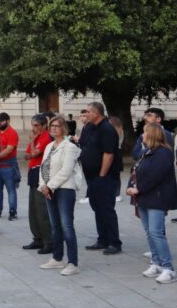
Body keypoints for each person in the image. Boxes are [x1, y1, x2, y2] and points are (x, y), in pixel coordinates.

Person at [126, 124, 177, 284]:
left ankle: (168, 267)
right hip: (144, 197)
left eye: (144, 133)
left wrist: (138, 189)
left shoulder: (163, 153)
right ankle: (156, 263)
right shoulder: (146, 152)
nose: (142, 136)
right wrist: (130, 186)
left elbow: (156, 176)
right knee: (149, 231)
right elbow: (136, 170)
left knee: (156, 232)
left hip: (156, 197)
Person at [38, 116, 82, 276]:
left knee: (66, 226)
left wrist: (50, 186)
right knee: (54, 225)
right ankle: (57, 258)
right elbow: (44, 167)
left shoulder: (69, 147)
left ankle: (72, 262)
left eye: (57, 126)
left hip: (64, 189)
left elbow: (66, 170)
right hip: (49, 189)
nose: (54, 128)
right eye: (51, 126)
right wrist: (43, 185)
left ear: (64, 128)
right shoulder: (49, 146)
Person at [79, 102, 122, 255]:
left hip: (105, 177)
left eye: (88, 111)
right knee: (96, 207)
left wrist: (102, 175)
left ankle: (114, 242)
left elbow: (108, 154)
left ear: (97, 113)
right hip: (91, 176)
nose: (86, 114)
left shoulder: (107, 129)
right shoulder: (89, 127)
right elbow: (83, 145)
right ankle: (102, 239)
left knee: (106, 208)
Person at [23, 114, 53, 254]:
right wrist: (32, 144)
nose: (34, 128)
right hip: (33, 173)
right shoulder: (35, 138)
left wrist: (33, 142)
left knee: (41, 210)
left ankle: (48, 241)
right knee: (33, 209)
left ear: (43, 126)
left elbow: (34, 154)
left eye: (36, 125)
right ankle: (37, 238)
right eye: (32, 125)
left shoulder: (46, 137)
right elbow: (26, 155)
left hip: (41, 174)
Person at [0, 112, 19, 221]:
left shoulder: (12, 133)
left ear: (8, 121)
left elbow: (9, 150)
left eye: (1, 120)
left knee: (11, 190)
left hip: (9, 165)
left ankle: (12, 212)